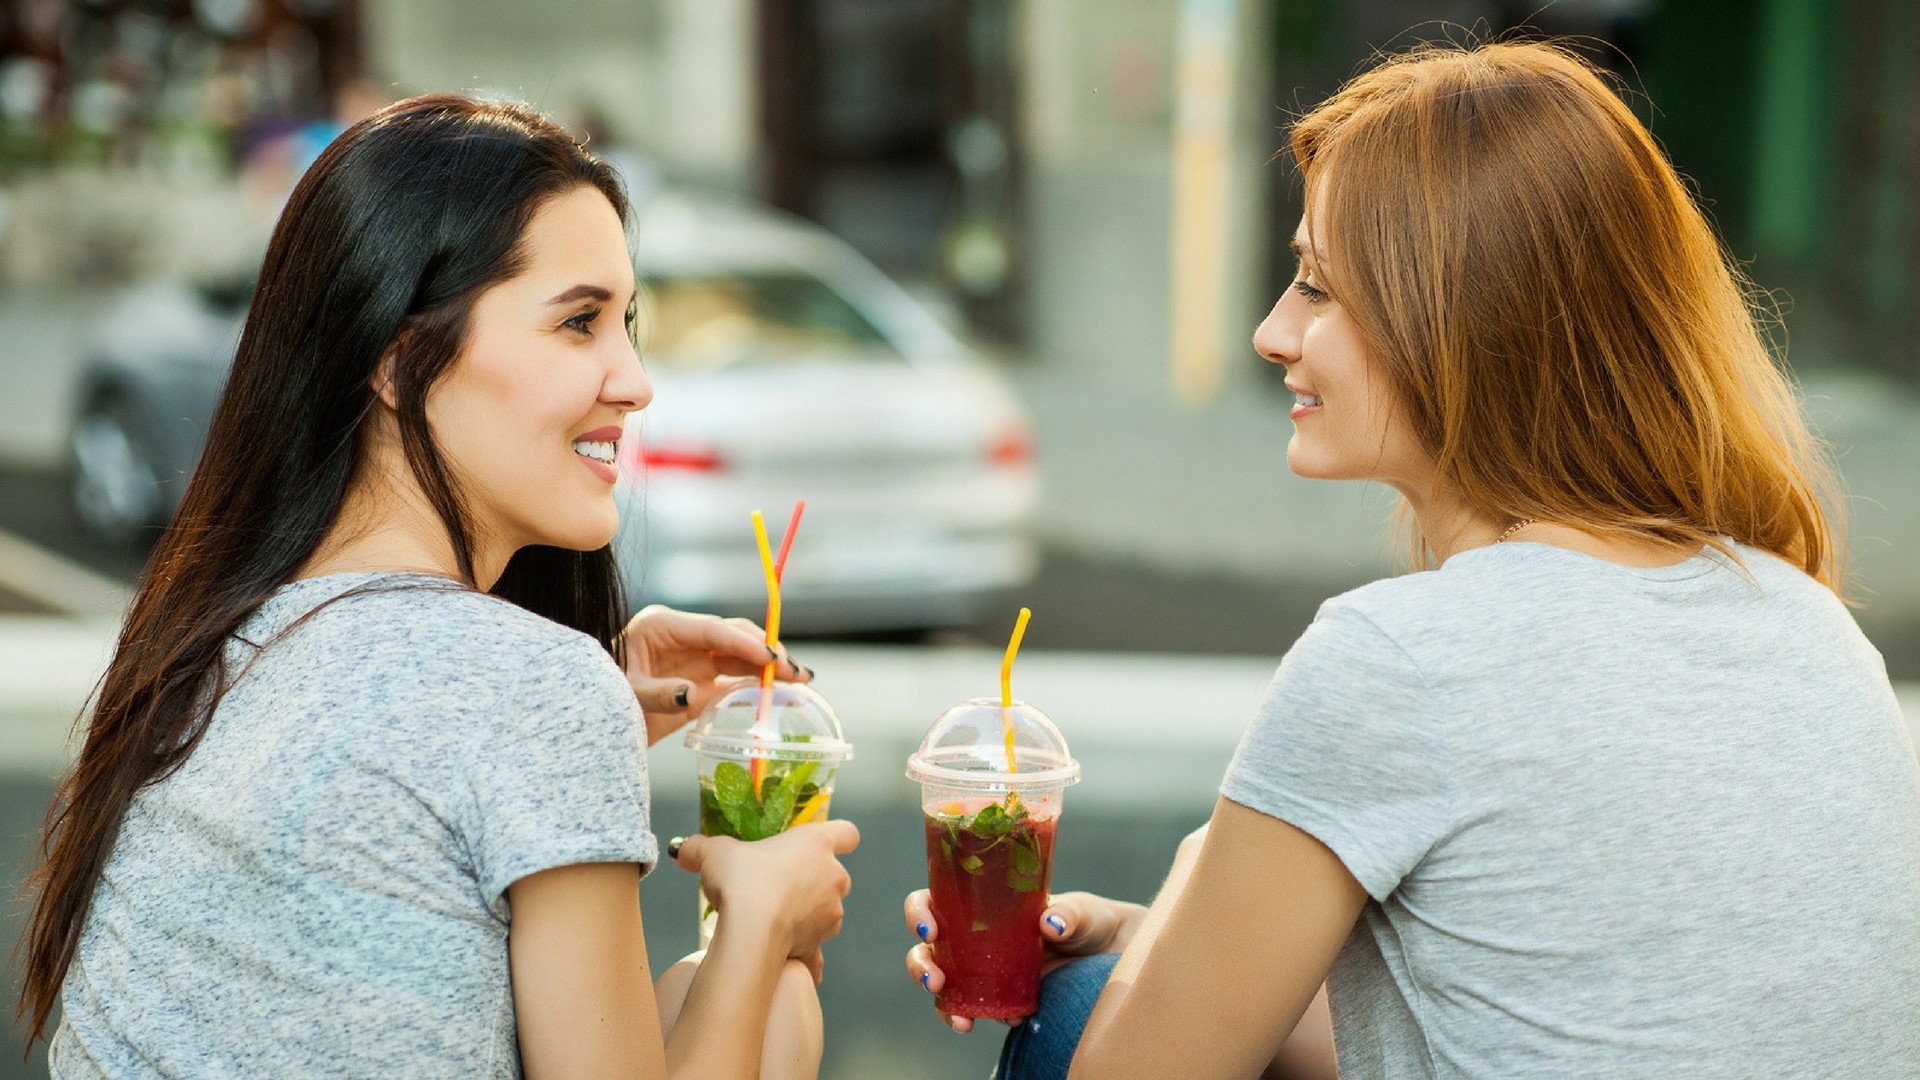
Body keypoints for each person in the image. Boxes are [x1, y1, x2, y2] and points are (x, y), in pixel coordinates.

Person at [904, 39, 1920, 1079]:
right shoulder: (1810, 623)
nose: (1270, 332)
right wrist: (1169, 947)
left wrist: (1187, 891)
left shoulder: (1401, 660)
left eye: (1316, 288)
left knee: (1074, 1017)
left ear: (1464, 323)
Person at [18, 94, 858, 1079]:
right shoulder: (522, 689)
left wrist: (579, 706)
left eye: (626, 323)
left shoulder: (207, 647)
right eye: (580, 322)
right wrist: (763, 918)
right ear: (403, 360)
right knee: (774, 1009)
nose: (635, 380)